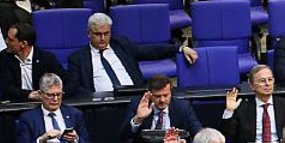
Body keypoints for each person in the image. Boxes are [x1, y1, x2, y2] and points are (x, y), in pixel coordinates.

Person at [67, 12, 196, 94]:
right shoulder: (78, 58)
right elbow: (75, 87)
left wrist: (179, 48)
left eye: (106, 33)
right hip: (103, 105)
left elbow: (150, 51)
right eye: (97, 34)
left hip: (135, 98)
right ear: (88, 34)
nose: (102, 38)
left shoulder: (122, 44)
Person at [15, 73, 92, 143]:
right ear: (40, 94)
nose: (55, 99)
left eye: (58, 94)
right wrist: (41, 140)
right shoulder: (28, 118)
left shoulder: (74, 114)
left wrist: (75, 140)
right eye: (51, 95)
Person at [120, 75, 203, 143]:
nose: (162, 100)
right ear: (149, 94)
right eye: (157, 96)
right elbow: (123, 137)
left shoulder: (183, 107)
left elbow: (200, 135)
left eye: (166, 95)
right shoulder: (137, 105)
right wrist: (138, 119)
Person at [219, 65, 285, 143]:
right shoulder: (242, 107)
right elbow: (225, 135)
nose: (267, 84)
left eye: (270, 80)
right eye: (262, 81)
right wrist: (229, 111)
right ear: (252, 85)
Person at [0, 21, 69, 102]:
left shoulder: (46, 58)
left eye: (11, 40)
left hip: (42, 104)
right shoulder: (5, 56)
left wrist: (55, 95)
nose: (6, 41)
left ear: (23, 44)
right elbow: (6, 87)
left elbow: (67, 80)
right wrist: (29, 94)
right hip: (17, 103)